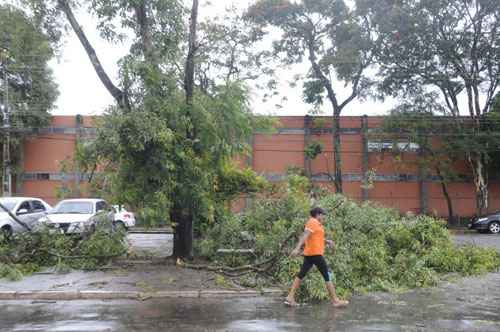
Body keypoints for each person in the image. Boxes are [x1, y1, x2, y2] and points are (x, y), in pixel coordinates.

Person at [285, 207, 348, 307]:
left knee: (301, 274)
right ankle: (335, 300)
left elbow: (316, 237)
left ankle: (290, 296)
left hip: (311, 254)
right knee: (327, 275)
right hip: (315, 254)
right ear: (318, 214)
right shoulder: (312, 222)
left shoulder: (317, 224)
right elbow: (305, 235)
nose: (323, 217)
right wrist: (297, 248)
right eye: (322, 215)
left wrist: (327, 241)